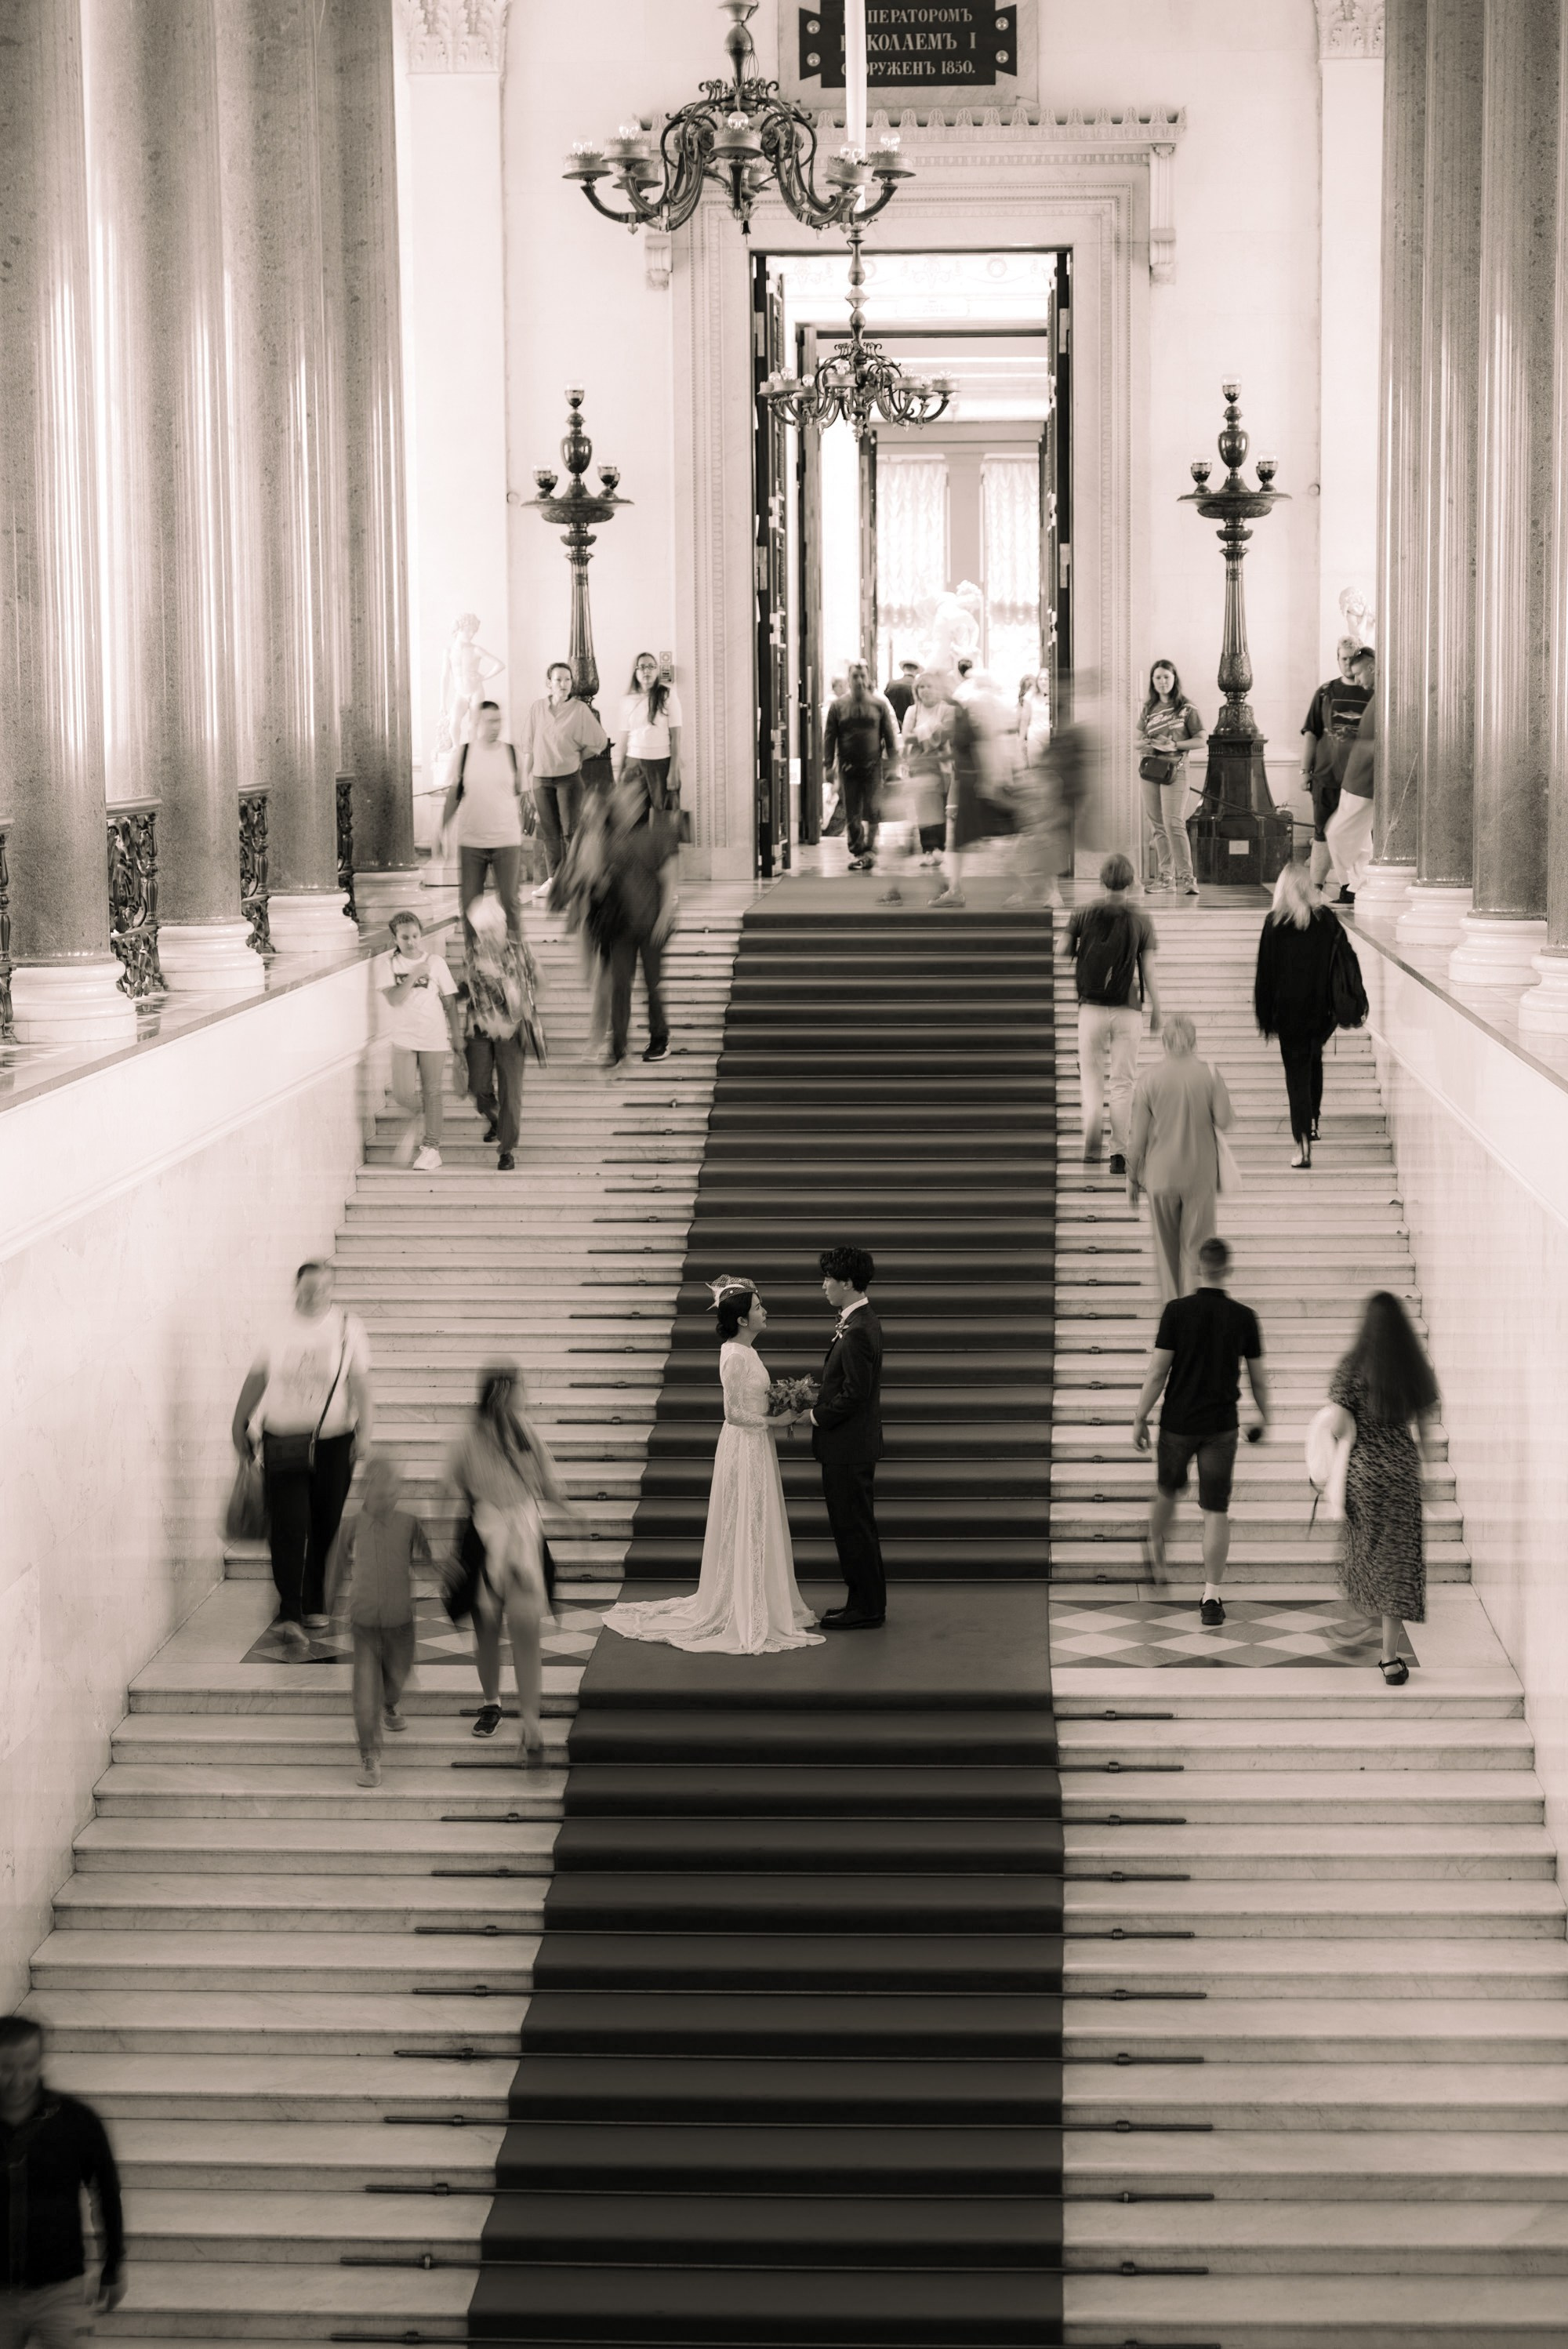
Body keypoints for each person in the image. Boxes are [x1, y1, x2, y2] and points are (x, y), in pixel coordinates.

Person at [604, 1283, 823, 1654]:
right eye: (758, 1307)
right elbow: (733, 1413)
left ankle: (761, 1596)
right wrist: (774, 1421)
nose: (764, 1311)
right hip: (745, 1444)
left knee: (757, 1517)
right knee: (746, 1517)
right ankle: (742, 1603)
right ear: (742, 1319)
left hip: (755, 1443)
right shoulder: (735, 1355)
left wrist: (776, 1406)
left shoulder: (747, 1351)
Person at [232, 1264, 374, 1657]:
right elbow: (257, 1378)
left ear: (331, 1289)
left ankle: (315, 1601)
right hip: (283, 1439)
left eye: (322, 1288)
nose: (314, 1295)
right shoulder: (277, 1328)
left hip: (334, 1441)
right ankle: (290, 1611)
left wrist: (365, 1430)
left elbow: (360, 1383)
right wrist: (240, 1421)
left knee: (326, 1522)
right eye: (308, 1288)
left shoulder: (348, 1328)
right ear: (296, 1287)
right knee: (289, 1523)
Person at [1131, 1236, 1269, 1625]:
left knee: (1168, 1490)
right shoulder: (1244, 1317)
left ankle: (1156, 1542)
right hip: (1220, 1427)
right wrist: (1265, 1416)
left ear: (1198, 1268)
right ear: (1228, 1269)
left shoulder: (1176, 1312)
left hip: (1178, 1423)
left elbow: (1158, 1372)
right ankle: (1211, 1596)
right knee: (1215, 1510)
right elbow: (1258, 1379)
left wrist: (1140, 1416)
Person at [448, 1365, 575, 1763]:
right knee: (487, 1629)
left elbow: (547, 1483)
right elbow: (451, 1488)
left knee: (524, 1627)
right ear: (502, 1392)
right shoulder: (470, 1437)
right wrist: (447, 1552)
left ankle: (532, 1723)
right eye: (520, 1387)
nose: (525, 1393)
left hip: (522, 1537)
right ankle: (492, 1702)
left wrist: (572, 1513)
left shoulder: (526, 1430)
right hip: (485, 1536)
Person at [1323, 1291, 1440, 1684]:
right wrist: (1428, 1473)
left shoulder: (1352, 1366)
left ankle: (1356, 1621)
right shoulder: (1412, 1367)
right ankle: (1390, 1659)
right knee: (1398, 1562)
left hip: (1364, 1474)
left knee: (1362, 1548)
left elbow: (1339, 1425)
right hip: (1402, 1473)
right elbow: (1425, 1427)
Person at [0, 2016, 125, 2344]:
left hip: (61, 2291)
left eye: (28, 2066)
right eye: (6, 2068)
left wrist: (113, 2265)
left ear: (41, 2060)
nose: (18, 2080)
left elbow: (106, 2193)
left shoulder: (76, 2121)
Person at [325, 1456, 431, 1788]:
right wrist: (329, 1607)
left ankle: (391, 1702)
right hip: (364, 1622)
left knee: (397, 1676)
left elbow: (427, 1559)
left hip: (401, 1622)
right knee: (364, 1690)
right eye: (382, 1492)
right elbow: (335, 1566)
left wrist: (446, 1573)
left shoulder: (409, 1523)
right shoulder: (351, 1526)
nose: (389, 1498)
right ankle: (369, 1754)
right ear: (365, 1491)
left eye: (393, 1491)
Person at [1126, 1013, 1235, 1304]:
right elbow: (1224, 1120)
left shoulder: (1149, 1079)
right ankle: (1197, 1310)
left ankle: (1173, 1313)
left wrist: (1132, 1177)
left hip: (1160, 1176)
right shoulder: (1210, 1074)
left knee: (1167, 1253)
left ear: (1164, 1043)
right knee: (1197, 1249)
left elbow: (1137, 1139)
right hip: (1200, 1176)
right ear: (1194, 1042)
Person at [1065, 854, 1160, 1174]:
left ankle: (1093, 1123)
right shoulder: (1141, 919)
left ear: (1101, 880)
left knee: (1092, 1077)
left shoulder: (1083, 912)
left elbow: (1061, 950)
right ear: (1132, 882)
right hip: (1127, 1008)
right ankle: (1118, 1154)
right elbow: (1149, 969)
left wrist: (1079, 946)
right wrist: (1158, 1008)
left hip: (1090, 1008)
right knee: (1123, 1083)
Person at [809, 1245, 886, 1629]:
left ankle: (866, 1608)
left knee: (853, 1528)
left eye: (828, 1279)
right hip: (850, 1446)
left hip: (848, 1447)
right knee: (853, 1528)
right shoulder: (857, 1322)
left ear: (848, 1283)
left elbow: (855, 1394)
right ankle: (861, 1602)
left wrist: (814, 1415)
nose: (823, 1286)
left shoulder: (857, 1330)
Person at [1254, 860, 1348, 1168]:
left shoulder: (1275, 923)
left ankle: (1302, 1141)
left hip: (1288, 1013)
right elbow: (1342, 961)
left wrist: (1265, 1016)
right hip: (1322, 1011)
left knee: (1296, 1075)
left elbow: (1265, 974)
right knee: (1313, 1060)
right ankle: (1314, 1120)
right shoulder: (1326, 920)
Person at [591, 780, 679, 1069]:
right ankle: (618, 1046)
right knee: (620, 984)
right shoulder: (610, 836)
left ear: (640, 801)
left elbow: (669, 878)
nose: (620, 803)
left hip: (651, 923)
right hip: (621, 926)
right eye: (619, 798)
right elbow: (603, 878)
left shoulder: (658, 833)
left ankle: (659, 1037)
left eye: (627, 797)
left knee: (653, 984)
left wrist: (665, 916)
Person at [376, 910, 465, 1171]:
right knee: (403, 1094)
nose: (411, 942)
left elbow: (450, 1003)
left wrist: (457, 1036)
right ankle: (420, 1113)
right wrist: (414, 975)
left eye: (415, 936)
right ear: (395, 939)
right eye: (405, 937)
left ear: (421, 935)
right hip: (403, 1039)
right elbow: (394, 999)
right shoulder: (389, 965)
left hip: (433, 1038)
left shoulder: (436, 962)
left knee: (432, 1092)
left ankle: (431, 1149)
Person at [521, 663, 609, 906]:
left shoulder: (580, 709)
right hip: (541, 780)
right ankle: (555, 880)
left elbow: (600, 741)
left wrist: (579, 757)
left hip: (568, 780)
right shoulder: (538, 708)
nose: (563, 684)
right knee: (550, 834)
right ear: (549, 683)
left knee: (571, 832)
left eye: (568, 679)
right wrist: (525, 780)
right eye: (558, 679)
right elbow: (528, 746)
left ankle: (578, 880)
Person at [462, 893, 538, 1172]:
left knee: (510, 1092)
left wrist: (528, 1008)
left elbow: (540, 981)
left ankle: (506, 1149)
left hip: (512, 1030)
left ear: (503, 926)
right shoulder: (472, 953)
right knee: (478, 1087)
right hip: (478, 1029)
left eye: (490, 930)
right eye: (481, 931)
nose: (485, 936)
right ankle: (495, 1118)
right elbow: (465, 987)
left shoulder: (521, 950)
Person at [441, 700, 527, 942]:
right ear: (477, 722)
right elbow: (453, 794)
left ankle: (516, 955)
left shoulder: (512, 754)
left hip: (506, 840)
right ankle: (474, 957)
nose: (495, 727)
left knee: (510, 899)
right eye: (490, 721)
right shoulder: (464, 753)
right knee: (470, 902)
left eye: (498, 721)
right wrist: (441, 828)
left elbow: (521, 794)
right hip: (472, 841)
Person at [932, 673, 1013, 908]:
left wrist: (990, 780)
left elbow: (984, 743)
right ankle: (955, 889)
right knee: (973, 837)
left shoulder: (971, 705)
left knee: (994, 835)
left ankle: (1027, 887)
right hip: (972, 781)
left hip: (975, 782)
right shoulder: (961, 708)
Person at [1299, 637, 1373, 893]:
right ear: (1338, 659)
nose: (1349, 664)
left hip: (1361, 779)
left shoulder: (1373, 690)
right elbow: (1311, 732)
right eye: (1344, 658)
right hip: (1327, 775)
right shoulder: (1325, 692)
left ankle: (1351, 888)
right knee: (1323, 832)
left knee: (1360, 835)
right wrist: (1304, 771)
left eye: (1353, 659)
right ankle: (1316, 888)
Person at [823, 663, 901, 872]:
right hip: (847, 768)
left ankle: (871, 850)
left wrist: (894, 765)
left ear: (868, 679)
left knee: (874, 811)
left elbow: (890, 737)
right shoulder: (838, 706)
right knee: (853, 813)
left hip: (873, 767)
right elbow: (830, 737)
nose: (859, 680)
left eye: (862, 676)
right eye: (855, 676)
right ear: (849, 679)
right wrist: (828, 765)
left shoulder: (879, 705)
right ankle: (859, 850)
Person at [1137, 659, 1205, 895]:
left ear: (1174, 679)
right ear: (1152, 681)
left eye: (1167, 677)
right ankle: (1166, 878)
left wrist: (1174, 744)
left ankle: (1187, 879)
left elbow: (1201, 739)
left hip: (1176, 769)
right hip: (1150, 770)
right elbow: (1135, 741)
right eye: (1158, 677)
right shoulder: (1148, 709)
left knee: (1173, 823)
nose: (1163, 681)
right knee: (1158, 825)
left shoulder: (1187, 708)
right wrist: (1147, 742)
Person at [1323, 648, 1377, 906]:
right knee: (1358, 840)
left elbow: (1388, 742)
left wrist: (1361, 744)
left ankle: (1354, 886)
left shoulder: (1387, 696)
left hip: (1365, 781)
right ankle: (1354, 887)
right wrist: (1353, 737)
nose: (1358, 681)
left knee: (1337, 834)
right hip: (1356, 777)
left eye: (1359, 674)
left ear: (1372, 668)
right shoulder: (1378, 696)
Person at [613, 651, 683, 820]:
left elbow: (676, 737)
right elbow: (624, 740)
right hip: (634, 764)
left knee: (664, 818)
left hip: (661, 763)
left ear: (657, 670)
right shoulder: (627, 700)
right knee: (633, 818)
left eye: (651, 667)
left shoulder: (667, 695)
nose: (647, 671)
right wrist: (619, 772)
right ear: (635, 672)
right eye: (642, 667)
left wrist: (673, 770)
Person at [899, 671, 955, 864]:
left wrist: (921, 734)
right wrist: (932, 730)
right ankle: (928, 850)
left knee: (939, 807)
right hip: (919, 767)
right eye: (921, 687)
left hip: (941, 767)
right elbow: (906, 737)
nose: (925, 690)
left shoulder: (946, 710)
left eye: (929, 686)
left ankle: (939, 848)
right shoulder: (912, 711)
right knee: (922, 810)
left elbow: (946, 734)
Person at [1018, 667, 1052, 761]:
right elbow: (1025, 719)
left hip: (1051, 738)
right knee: (1035, 765)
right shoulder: (1030, 696)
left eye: (1046, 679)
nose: (1043, 681)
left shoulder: (1054, 696)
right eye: (1041, 679)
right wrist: (1021, 739)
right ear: (1037, 681)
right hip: (1035, 737)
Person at [884, 657, 921, 730]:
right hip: (912, 728)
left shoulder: (891, 684)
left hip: (892, 726)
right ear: (916, 671)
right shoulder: (919, 686)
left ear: (904, 669)